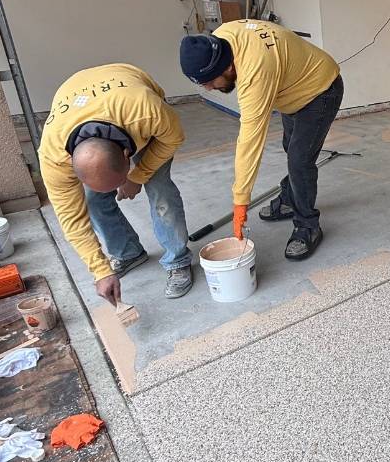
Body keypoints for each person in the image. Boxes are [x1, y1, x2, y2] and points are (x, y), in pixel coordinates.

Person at [179, 20, 342, 261]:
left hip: (320, 89)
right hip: (292, 89)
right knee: (292, 148)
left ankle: (307, 225)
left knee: (300, 160)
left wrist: (240, 202)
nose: (210, 89)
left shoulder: (255, 72)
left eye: (211, 82)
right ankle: (289, 198)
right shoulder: (221, 38)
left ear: (227, 68)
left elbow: (250, 142)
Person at [38, 64, 193, 304]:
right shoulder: (53, 158)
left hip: (132, 102)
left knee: (160, 189)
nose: (114, 190)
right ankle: (128, 252)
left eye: (116, 181)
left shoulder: (147, 112)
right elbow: (72, 220)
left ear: (125, 154)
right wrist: (100, 270)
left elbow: (173, 138)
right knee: (92, 201)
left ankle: (178, 260)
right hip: (80, 96)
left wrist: (137, 176)